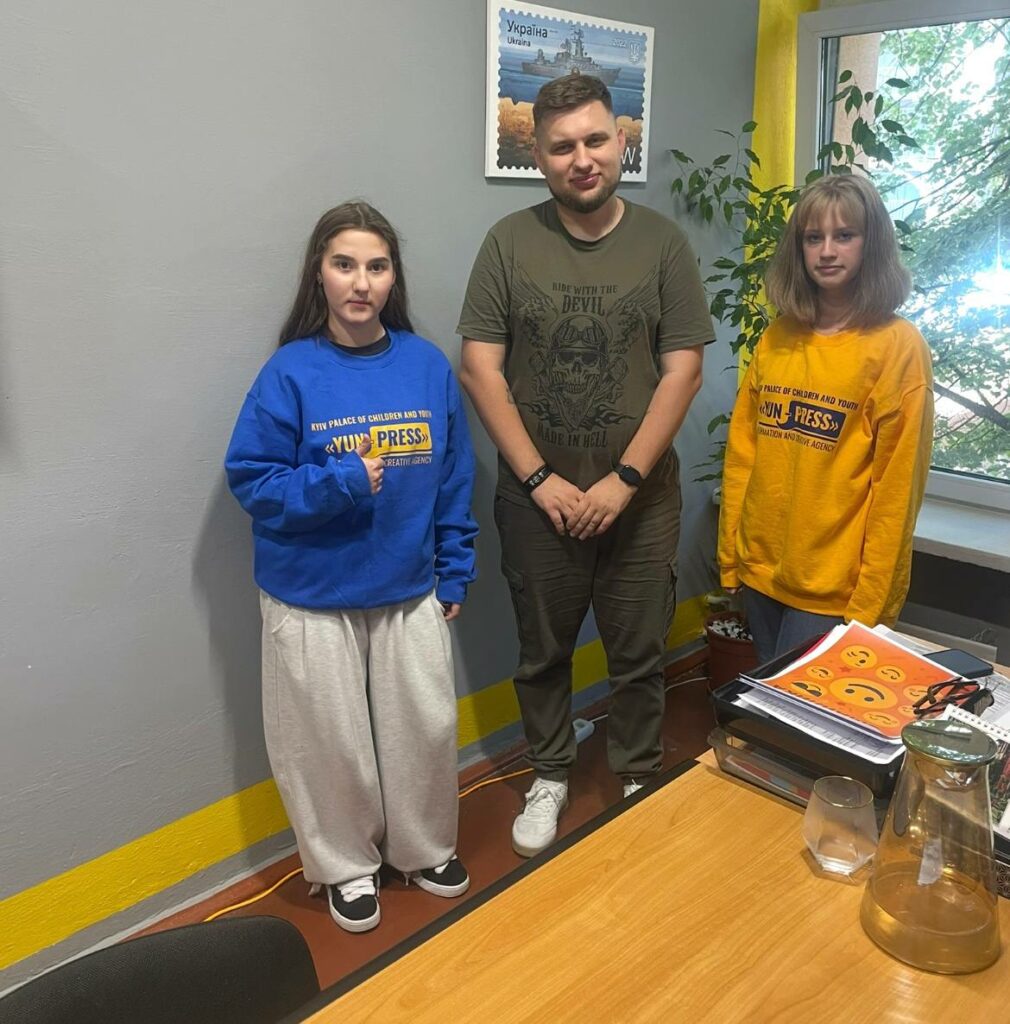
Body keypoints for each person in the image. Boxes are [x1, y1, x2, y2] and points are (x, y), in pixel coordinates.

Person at [457, 75, 713, 857]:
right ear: (537, 155)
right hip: (539, 502)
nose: (582, 158)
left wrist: (622, 481)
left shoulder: (663, 244)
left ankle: (636, 772)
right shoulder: (508, 242)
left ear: (621, 142)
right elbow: (479, 368)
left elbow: (682, 371)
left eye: (596, 139)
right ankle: (550, 771)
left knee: (639, 651)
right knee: (542, 654)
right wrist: (540, 480)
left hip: (640, 499)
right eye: (562, 146)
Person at [225, 201, 478, 933]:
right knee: (327, 744)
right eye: (344, 265)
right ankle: (344, 867)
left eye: (376, 266)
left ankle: (423, 849)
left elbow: (454, 479)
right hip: (311, 593)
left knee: (424, 729)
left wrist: (455, 567)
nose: (361, 283)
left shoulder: (425, 366)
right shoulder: (290, 372)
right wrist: (338, 483)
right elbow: (253, 481)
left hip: (409, 584)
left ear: (394, 277)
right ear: (320, 274)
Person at [718, 174, 934, 666]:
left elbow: (896, 492)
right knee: (767, 700)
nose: (827, 251)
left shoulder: (898, 348)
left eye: (845, 235)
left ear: (871, 243)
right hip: (761, 570)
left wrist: (871, 605)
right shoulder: (778, 336)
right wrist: (731, 556)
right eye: (814, 238)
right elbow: (743, 455)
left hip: (831, 590)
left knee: (801, 712)